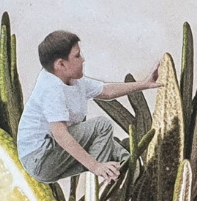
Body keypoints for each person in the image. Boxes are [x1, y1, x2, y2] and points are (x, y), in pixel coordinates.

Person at [15, 30, 160, 188]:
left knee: (124, 158)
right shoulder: (52, 88)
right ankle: (99, 186)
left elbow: (106, 91)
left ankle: (129, 185)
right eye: (77, 56)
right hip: (40, 158)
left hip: (49, 156)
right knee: (101, 125)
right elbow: (60, 135)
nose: (82, 60)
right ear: (60, 64)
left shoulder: (72, 80)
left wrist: (145, 84)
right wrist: (96, 167)